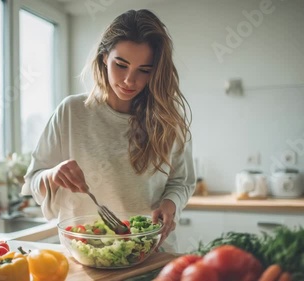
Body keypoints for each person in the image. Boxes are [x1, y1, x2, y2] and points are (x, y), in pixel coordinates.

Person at [21, 9, 195, 252]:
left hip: (151, 252)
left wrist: (170, 204)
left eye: (144, 70)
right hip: (86, 254)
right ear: (104, 57)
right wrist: (53, 175)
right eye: (121, 65)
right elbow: (33, 181)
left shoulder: (168, 119)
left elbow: (182, 182)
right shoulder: (71, 111)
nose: (129, 81)